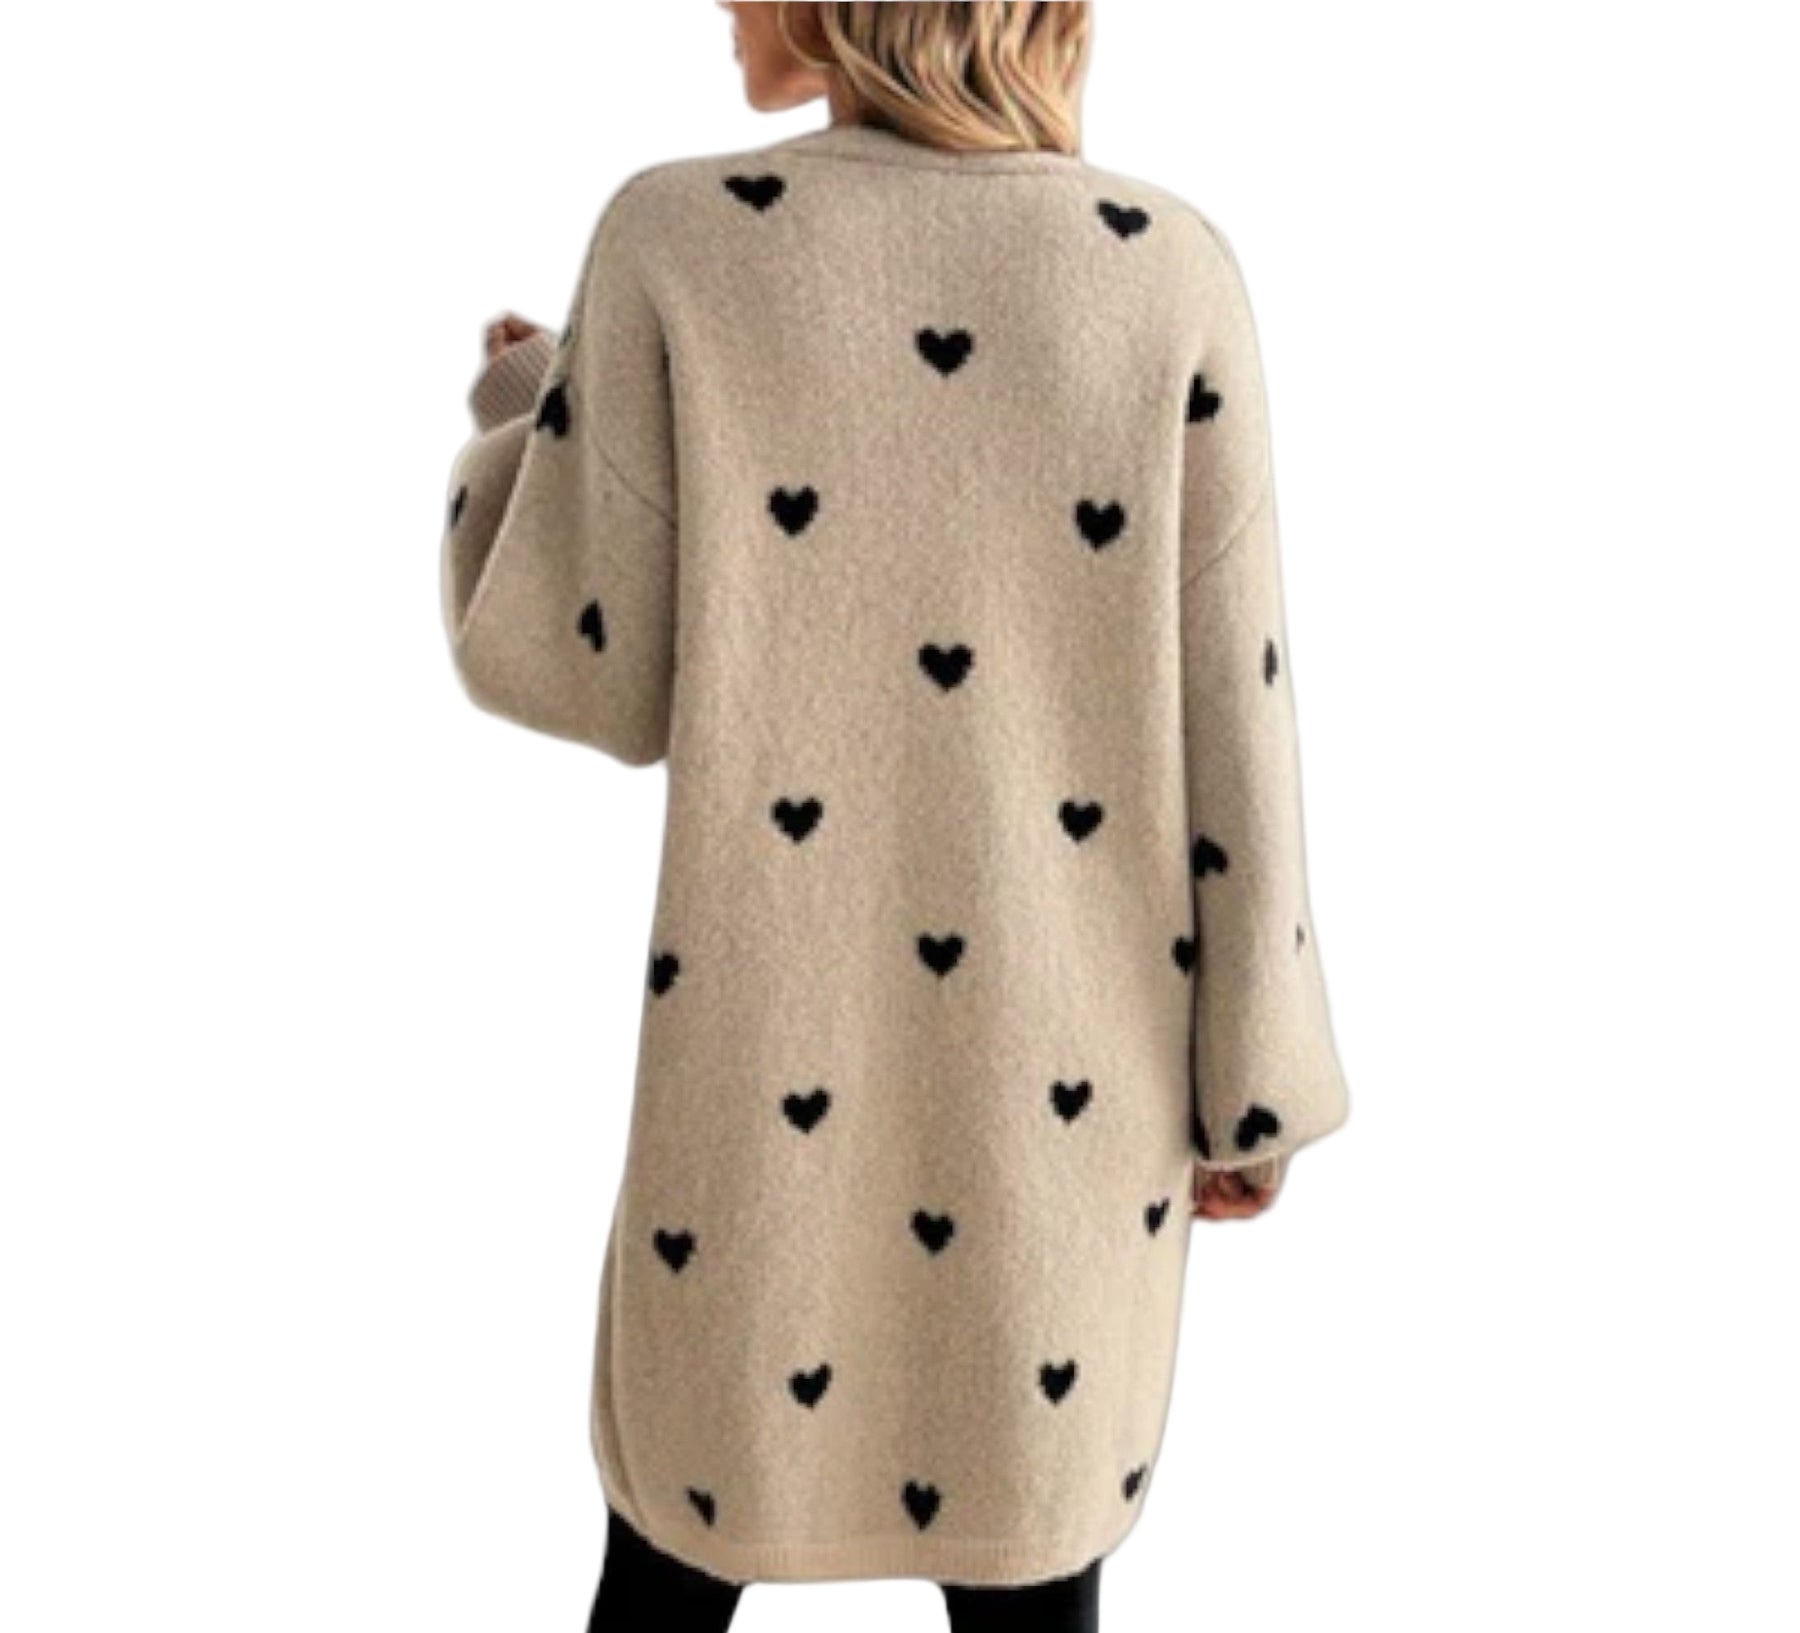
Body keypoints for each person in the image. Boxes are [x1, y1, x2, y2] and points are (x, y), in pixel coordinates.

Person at [438, 3, 1351, 1628]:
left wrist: (531, 414)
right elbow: (1240, 719)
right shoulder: (1167, 274)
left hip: (758, 1083)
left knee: (672, 1556)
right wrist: (1254, 1087)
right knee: (1031, 1572)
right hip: (1067, 1099)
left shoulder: (677, 242)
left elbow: (581, 664)